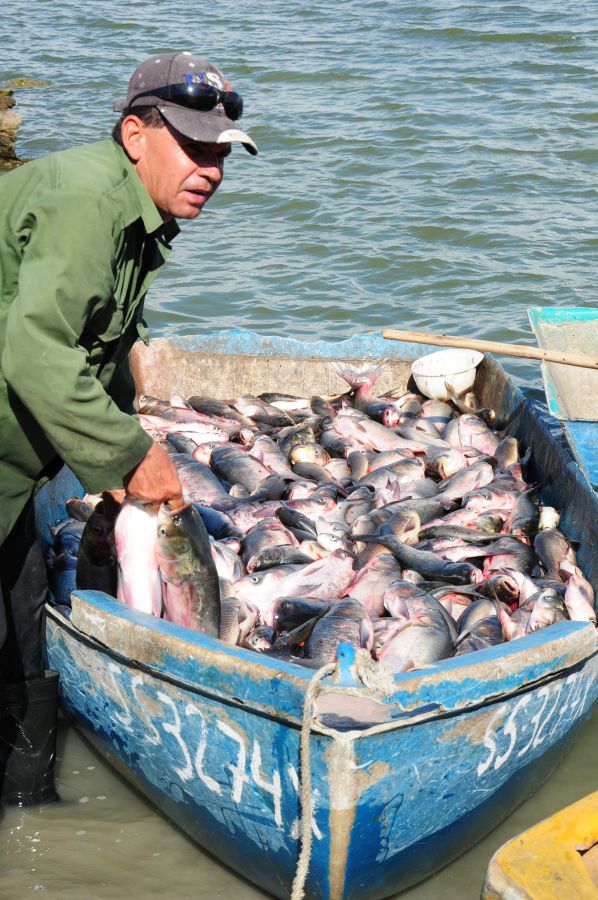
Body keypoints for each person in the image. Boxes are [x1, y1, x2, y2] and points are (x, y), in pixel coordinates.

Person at [0, 51, 257, 806]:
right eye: (194, 146)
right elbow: (37, 347)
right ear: (135, 132)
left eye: (220, 154)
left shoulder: (136, 218)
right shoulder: (87, 200)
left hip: (21, 461)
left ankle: (28, 814)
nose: (211, 169)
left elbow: (97, 353)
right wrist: (128, 454)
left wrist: (112, 466)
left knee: (23, 618)